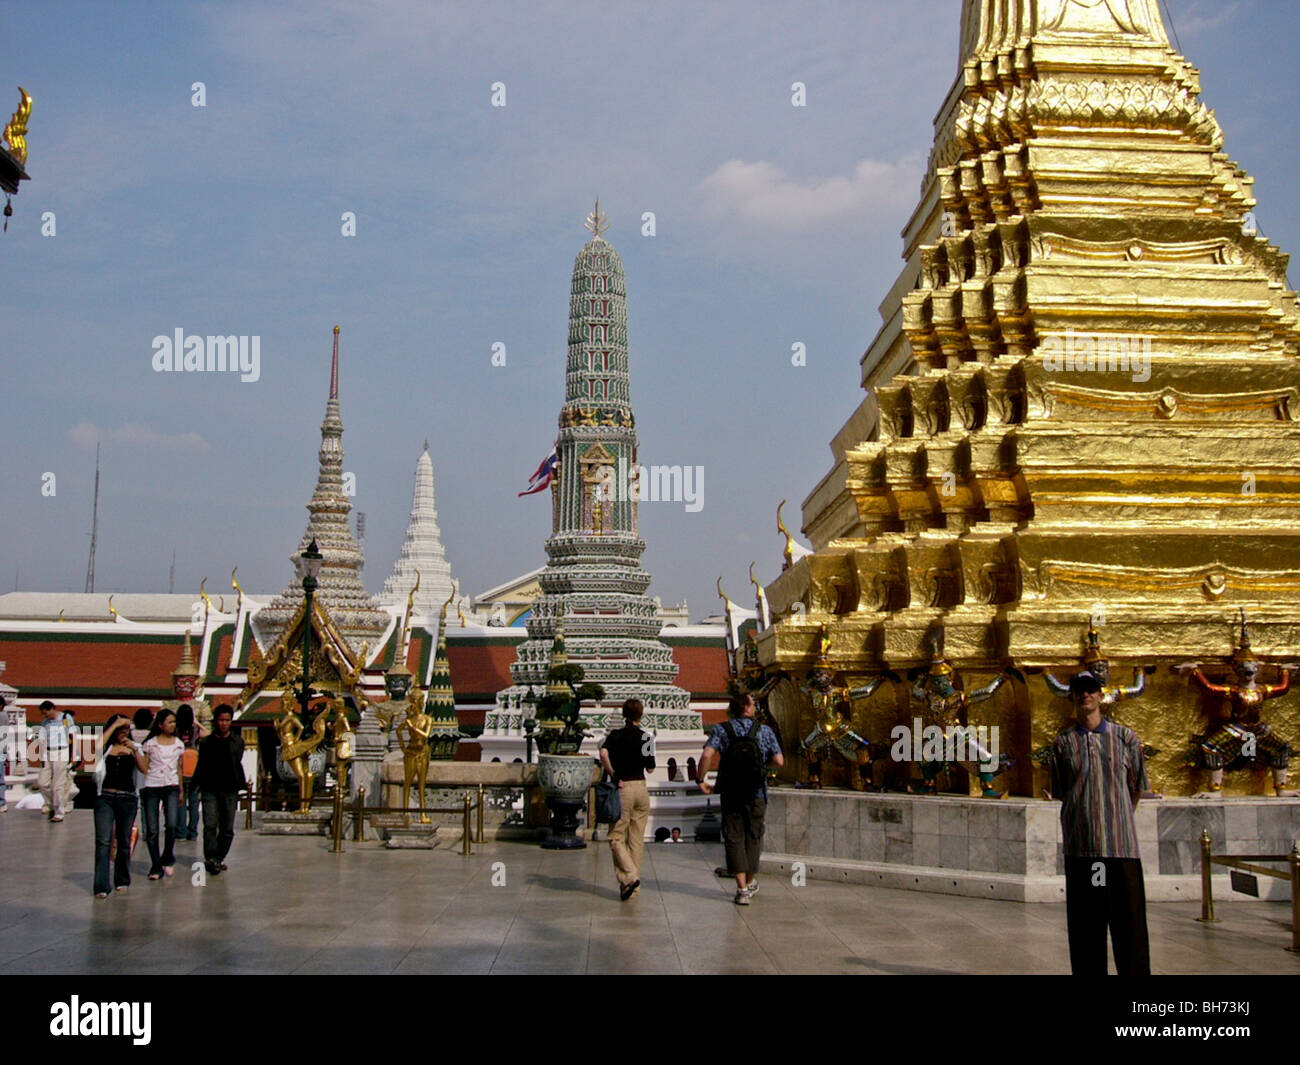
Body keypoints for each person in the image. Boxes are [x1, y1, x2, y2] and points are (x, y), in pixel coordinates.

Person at [1049, 671, 1151, 976]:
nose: (1085, 696)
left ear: (1100, 695)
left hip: (1119, 850)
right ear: (1073, 697)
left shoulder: (1126, 738)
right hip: (1085, 852)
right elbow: (1061, 790)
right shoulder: (1063, 743)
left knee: (1129, 925)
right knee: (1088, 924)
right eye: (1079, 691)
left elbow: (1136, 788)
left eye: (1091, 690)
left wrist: (1115, 814)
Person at [698, 693, 784, 905]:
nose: (755, 707)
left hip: (731, 792)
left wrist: (701, 779)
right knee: (753, 836)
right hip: (757, 792)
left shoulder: (722, 729)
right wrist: (764, 768)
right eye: (753, 704)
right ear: (746, 707)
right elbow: (779, 761)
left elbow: (707, 755)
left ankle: (742, 889)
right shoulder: (764, 731)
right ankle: (751, 880)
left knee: (733, 837)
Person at [599, 698, 656, 901]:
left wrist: (613, 773)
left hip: (623, 788)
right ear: (641, 715)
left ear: (624, 714)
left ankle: (630, 877)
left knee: (615, 836)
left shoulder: (616, 735)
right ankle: (631, 888)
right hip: (641, 788)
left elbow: (603, 753)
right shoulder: (646, 738)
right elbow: (650, 768)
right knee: (636, 840)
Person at [92, 714, 149, 898]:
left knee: (124, 840)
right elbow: (95, 748)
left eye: (126, 730)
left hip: (127, 798)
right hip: (105, 797)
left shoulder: (135, 748)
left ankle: (122, 879)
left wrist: (134, 749)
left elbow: (144, 769)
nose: (123, 733)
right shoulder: (107, 748)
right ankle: (101, 885)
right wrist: (115, 723)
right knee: (103, 841)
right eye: (119, 730)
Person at [195, 705, 246, 875]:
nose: (224, 724)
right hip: (210, 788)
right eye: (221, 720)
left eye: (227, 720)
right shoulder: (206, 742)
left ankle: (219, 857)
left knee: (227, 827)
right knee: (210, 824)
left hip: (230, 788)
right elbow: (201, 765)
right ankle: (210, 857)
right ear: (215, 721)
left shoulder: (237, 741)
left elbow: (237, 760)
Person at [140, 708, 184, 880]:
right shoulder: (150, 744)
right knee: (152, 829)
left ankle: (167, 856)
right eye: (169, 722)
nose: (173, 725)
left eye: (174, 722)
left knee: (172, 824)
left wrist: (180, 789)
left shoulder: (179, 744)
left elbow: (179, 767)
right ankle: (155, 865)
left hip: (171, 785)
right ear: (160, 724)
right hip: (152, 785)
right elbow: (145, 765)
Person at [31, 700, 78, 823]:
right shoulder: (45, 723)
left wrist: (73, 756)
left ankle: (59, 812)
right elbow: (41, 740)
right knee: (42, 782)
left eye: (46, 712)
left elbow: (72, 736)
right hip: (48, 752)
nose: (45, 715)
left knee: (58, 785)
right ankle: (53, 803)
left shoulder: (65, 718)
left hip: (62, 751)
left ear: (52, 709)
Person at [175, 704, 206, 841]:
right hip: (194, 769)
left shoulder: (175, 730)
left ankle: (181, 831)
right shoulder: (195, 730)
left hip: (179, 767)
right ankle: (192, 832)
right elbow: (208, 733)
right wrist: (197, 722)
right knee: (194, 803)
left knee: (181, 802)